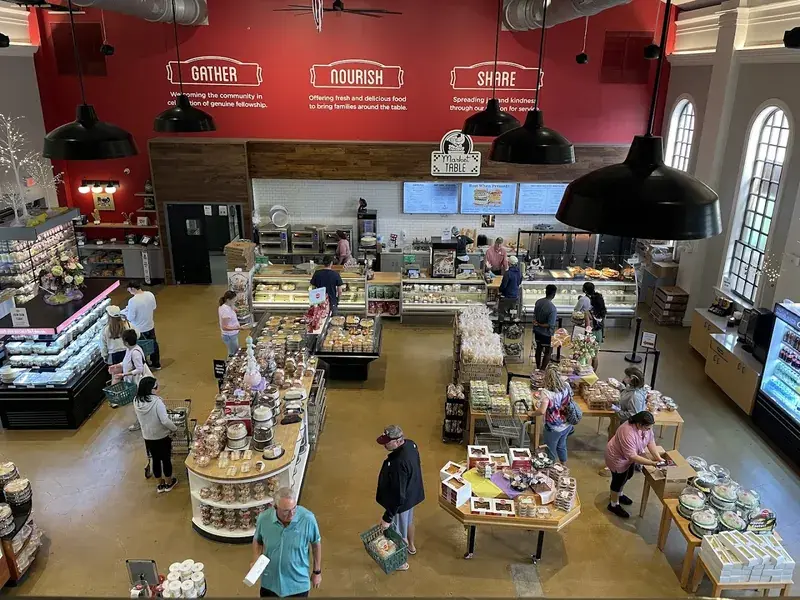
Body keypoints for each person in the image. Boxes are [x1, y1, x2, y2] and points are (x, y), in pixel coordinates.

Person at [252, 487, 322, 597]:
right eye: (286, 511)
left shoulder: (308, 519)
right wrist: (256, 558)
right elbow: (258, 540)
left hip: (297, 584)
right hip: (270, 582)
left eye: (294, 508)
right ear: (275, 507)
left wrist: (317, 572)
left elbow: (316, 544)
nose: (291, 514)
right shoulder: (264, 519)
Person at [376, 425, 424, 571]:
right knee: (408, 522)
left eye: (387, 442)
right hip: (412, 495)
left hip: (401, 504)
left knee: (398, 532)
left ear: (397, 441)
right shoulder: (411, 444)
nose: (384, 444)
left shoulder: (398, 462)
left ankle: (401, 562)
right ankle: (411, 546)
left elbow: (398, 494)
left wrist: (387, 517)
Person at [605, 411, 666, 518]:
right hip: (617, 458)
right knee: (618, 481)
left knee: (628, 475)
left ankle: (619, 494)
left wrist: (658, 458)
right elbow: (632, 456)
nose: (649, 430)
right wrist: (652, 463)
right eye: (647, 428)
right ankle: (613, 504)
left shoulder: (646, 428)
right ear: (639, 424)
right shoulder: (627, 432)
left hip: (628, 457)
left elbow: (650, 441)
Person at [133, 377, 178, 493]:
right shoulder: (157, 402)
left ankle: (160, 485)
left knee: (155, 460)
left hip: (148, 436)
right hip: (161, 436)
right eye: (156, 387)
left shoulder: (136, 401)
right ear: (150, 389)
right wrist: (174, 428)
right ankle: (169, 483)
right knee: (166, 459)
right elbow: (165, 420)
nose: (158, 389)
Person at [530, 364, 574, 465]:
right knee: (562, 445)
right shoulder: (566, 386)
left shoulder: (546, 393)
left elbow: (542, 411)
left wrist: (532, 413)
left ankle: (552, 470)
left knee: (550, 449)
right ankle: (564, 466)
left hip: (554, 427)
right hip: (567, 424)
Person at [123, 280, 161, 370]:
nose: (128, 291)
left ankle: (145, 366)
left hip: (139, 329)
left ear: (132, 288)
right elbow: (154, 307)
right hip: (150, 325)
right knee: (153, 344)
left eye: (128, 289)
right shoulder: (150, 294)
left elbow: (131, 317)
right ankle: (156, 363)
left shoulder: (133, 301)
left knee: (141, 348)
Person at [119, 329, 153, 429]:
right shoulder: (129, 349)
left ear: (126, 342)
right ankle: (142, 421)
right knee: (140, 402)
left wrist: (125, 374)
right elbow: (127, 362)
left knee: (139, 403)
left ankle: (140, 423)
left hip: (138, 382)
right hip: (133, 381)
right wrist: (118, 365)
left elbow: (139, 369)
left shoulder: (135, 352)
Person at [574, 281, 606, 372]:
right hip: (598, 333)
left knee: (584, 355)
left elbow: (588, 327)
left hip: (590, 334)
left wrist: (586, 338)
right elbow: (603, 324)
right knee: (595, 356)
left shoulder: (588, 312)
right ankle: (593, 373)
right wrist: (602, 336)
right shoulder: (602, 312)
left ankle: (583, 372)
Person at [532, 284, 558, 370]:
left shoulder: (538, 302)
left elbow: (535, 314)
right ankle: (542, 370)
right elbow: (550, 324)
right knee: (548, 352)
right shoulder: (552, 308)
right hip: (547, 334)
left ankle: (538, 367)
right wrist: (540, 324)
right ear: (554, 295)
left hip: (537, 331)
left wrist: (537, 324)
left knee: (538, 349)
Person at [219, 290, 242, 357]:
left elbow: (234, 308)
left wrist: (235, 308)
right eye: (234, 300)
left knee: (233, 351)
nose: (235, 301)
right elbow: (225, 327)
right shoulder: (226, 311)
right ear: (228, 300)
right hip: (230, 336)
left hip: (232, 335)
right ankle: (230, 366)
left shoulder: (225, 305)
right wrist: (238, 327)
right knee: (233, 353)